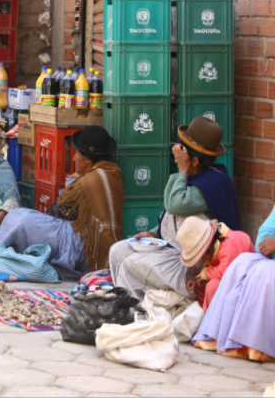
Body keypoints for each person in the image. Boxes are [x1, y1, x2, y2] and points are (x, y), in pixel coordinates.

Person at [109, 116, 241, 300]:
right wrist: (155, 233)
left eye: (182, 152)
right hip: (173, 247)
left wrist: (182, 169)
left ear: (194, 161)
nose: (177, 155)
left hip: (194, 263)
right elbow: (172, 215)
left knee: (130, 264)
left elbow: (176, 204)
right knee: (118, 250)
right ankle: (124, 299)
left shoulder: (213, 183)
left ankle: (133, 307)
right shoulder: (197, 175)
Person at [0, 125, 124, 280]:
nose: (74, 158)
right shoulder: (110, 174)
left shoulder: (86, 182)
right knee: (22, 218)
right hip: (91, 246)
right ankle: (6, 250)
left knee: (21, 218)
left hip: (81, 248)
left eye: (77, 154)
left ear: (87, 160)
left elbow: (59, 211)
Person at [192, 206, 275, 362]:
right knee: (241, 262)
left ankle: (256, 346)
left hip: (269, 264)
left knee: (265, 273)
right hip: (267, 258)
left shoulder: (230, 243)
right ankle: (225, 338)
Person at [176, 216, 254, 311]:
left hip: (247, 287)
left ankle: (213, 319)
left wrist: (204, 274)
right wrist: (197, 279)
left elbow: (226, 271)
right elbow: (212, 267)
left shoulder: (231, 243)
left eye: (202, 256)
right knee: (205, 285)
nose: (203, 259)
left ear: (207, 248)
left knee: (212, 286)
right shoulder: (215, 244)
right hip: (232, 282)